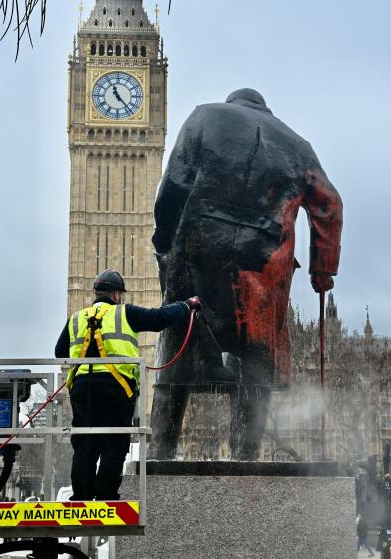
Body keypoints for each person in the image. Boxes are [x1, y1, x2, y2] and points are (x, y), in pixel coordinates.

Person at [149, 88, 343, 460]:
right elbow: (329, 205)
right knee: (255, 359)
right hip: (264, 263)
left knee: (180, 347)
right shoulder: (298, 145)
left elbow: (173, 185)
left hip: (198, 249)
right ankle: (245, 456)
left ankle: (162, 451)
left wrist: (165, 240)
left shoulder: (204, 116)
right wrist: (323, 269)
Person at [55, 269, 200, 500]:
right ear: (115, 294)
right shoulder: (125, 313)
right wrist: (186, 306)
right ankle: (105, 495)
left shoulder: (76, 318)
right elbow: (158, 318)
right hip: (115, 387)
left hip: (82, 388)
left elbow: (59, 352)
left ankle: (81, 497)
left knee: (85, 444)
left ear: (96, 293)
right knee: (115, 441)